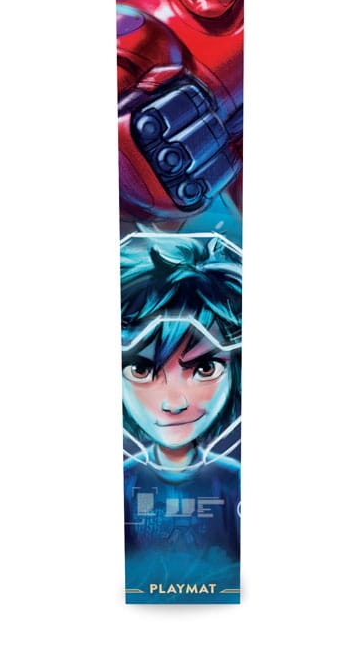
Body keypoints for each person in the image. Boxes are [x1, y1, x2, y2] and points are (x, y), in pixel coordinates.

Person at [120, 233, 242, 589]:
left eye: (204, 368)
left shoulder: (232, 482)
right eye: (141, 370)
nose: (174, 403)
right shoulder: (124, 483)